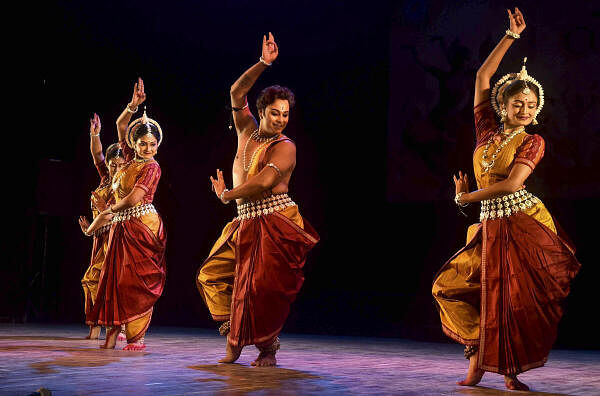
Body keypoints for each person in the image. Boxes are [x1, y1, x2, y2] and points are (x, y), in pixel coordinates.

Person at [432, 8, 580, 391]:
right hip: (489, 223)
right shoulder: (486, 130)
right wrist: (510, 37)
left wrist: (466, 196)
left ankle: (509, 371)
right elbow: (483, 77)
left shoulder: (533, 140)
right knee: (454, 287)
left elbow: (513, 185)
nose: (525, 110)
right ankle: (478, 360)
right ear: (503, 105)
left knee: (511, 298)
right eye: (518, 103)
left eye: (532, 106)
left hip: (522, 221)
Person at [197, 33, 319, 367]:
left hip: (274, 222)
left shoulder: (286, 146)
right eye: (276, 113)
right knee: (211, 275)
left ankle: (265, 348)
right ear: (261, 110)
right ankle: (235, 334)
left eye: (286, 114)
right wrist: (263, 64)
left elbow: (264, 181)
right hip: (244, 219)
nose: (281, 119)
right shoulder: (246, 128)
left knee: (260, 290)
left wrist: (227, 195)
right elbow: (236, 92)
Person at [85, 78, 167, 350]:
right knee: (114, 279)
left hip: (142, 226)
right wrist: (132, 106)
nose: (147, 148)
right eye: (142, 143)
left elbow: (135, 198)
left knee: (134, 281)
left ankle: (137, 335)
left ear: (157, 145)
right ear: (135, 144)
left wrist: (109, 211)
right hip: (122, 225)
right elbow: (122, 126)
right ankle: (112, 330)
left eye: (152, 144)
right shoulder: (130, 160)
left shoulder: (152, 167)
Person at [78, 113, 124, 340]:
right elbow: (97, 155)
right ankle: (95, 326)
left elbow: (116, 213)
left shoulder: (125, 184)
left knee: (103, 281)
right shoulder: (107, 177)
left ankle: (117, 327)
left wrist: (101, 207)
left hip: (116, 238)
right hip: (100, 237)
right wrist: (94, 133)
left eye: (119, 165)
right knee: (93, 281)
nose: (115, 168)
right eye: (112, 164)